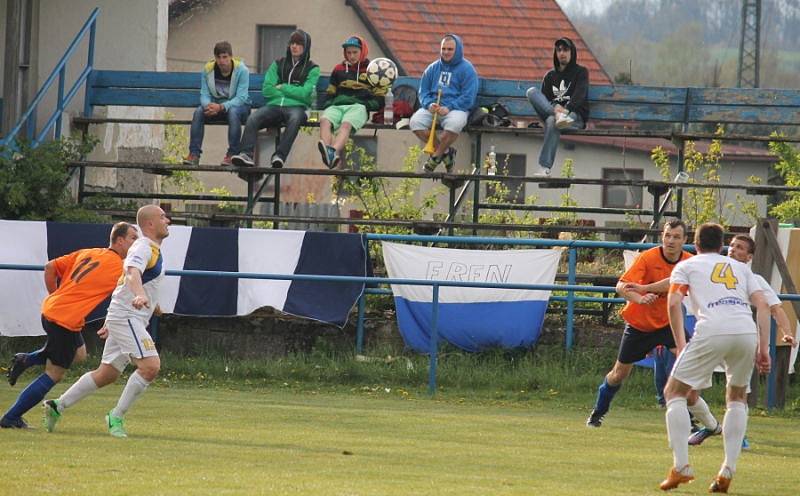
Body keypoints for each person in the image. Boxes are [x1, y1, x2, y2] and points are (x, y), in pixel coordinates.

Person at [659, 223, 770, 493]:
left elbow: (673, 303)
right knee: (737, 397)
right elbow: (763, 305)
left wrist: (680, 343)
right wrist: (763, 349)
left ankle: (681, 467)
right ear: (721, 246)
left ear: (694, 244)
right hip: (745, 331)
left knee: (674, 391)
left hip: (711, 330)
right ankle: (728, 469)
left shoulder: (687, 265)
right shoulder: (741, 268)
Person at [43, 205, 170, 438]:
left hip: (127, 316)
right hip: (128, 316)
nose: (167, 220)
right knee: (150, 367)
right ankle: (116, 417)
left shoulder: (152, 249)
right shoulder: (142, 247)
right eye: (162, 217)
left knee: (107, 373)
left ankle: (56, 406)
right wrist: (139, 295)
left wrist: (153, 304)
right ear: (150, 224)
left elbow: (133, 280)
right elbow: (132, 272)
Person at [0, 222, 138, 429]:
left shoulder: (89, 252)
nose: (136, 243)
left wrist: (55, 295)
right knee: (54, 374)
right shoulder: (119, 267)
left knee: (79, 353)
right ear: (119, 241)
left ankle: (27, 359)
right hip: (64, 320)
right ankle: (11, 418)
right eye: (133, 239)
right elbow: (130, 291)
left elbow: (50, 267)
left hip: (54, 311)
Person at [687, 234, 797, 447]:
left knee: (738, 393)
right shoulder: (707, 271)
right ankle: (711, 426)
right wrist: (645, 288)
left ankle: (738, 436)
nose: (733, 250)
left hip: (738, 339)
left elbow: (775, 308)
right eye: (731, 246)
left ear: (748, 257)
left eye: (739, 248)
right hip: (710, 336)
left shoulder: (753, 279)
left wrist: (787, 331)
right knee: (689, 393)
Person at [586, 220, 695, 427]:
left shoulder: (689, 262)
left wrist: (645, 289)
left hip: (669, 324)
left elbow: (676, 283)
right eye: (667, 235)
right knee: (619, 374)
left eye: (676, 237)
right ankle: (598, 412)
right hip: (640, 325)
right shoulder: (648, 257)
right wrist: (639, 298)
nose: (670, 241)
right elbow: (621, 286)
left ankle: (691, 418)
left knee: (688, 366)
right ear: (662, 236)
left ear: (685, 240)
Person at [232, 30, 319, 169]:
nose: (294, 46)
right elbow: (267, 89)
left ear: (306, 47)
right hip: (274, 106)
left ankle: (279, 156)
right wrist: (291, 92)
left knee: (295, 119)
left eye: (299, 43)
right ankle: (246, 154)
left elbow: (305, 93)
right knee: (253, 118)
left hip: (297, 108)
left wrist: (283, 87)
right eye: (292, 43)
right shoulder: (278, 63)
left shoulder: (313, 69)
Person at [409, 34, 478, 173]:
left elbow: (468, 96)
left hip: (456, 108)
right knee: (415, 123)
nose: (446, 52)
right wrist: (429, 104)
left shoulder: (467, 69)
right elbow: (423, 92)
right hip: (433, 108)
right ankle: (445, 153)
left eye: (450, 49)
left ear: (457, 50)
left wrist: (449, 107)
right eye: (443, 48)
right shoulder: (432, 68)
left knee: (453, 126)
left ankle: (435, 157)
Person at [317, 35, 385, 169]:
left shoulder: (373, 71)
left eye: (355, 52)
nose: (352, 56)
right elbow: (331, 91)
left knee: (346, 125)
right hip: (337, 105)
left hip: (358, 107)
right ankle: (327, 151)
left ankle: (333, 151)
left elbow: (380, 97)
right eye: (348, 53)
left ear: (363, 51)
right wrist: (329, 104)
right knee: (324, 121)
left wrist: (367, 106)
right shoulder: (338, 69)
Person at [525, 37, 589, 177]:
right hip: (555, 115)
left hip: (574, 117)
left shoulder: (581, 72)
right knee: (531, 92)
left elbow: (580, 96)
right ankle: (558, 116)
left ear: (572, 52)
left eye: (565, 50)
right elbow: (544, 101)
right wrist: (556, 110)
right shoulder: (550, 76)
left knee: (551, 121)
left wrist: (565, 110)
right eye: (559, 50)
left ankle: (544, 168)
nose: (562, 53)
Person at [183, 41, 251, 167]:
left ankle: (232, 154)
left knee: (233, 111)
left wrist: (221, 107)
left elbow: (241, 98)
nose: (221, 61)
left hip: (240, 108)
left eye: (225, 57)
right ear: (215, 58)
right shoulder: (208, 69)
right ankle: (194, 154)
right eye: (218, 57)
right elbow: (204, 94)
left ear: (231, 56)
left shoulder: (242, 70)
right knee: (199, 112)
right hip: (216, 107)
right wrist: (208, 106)